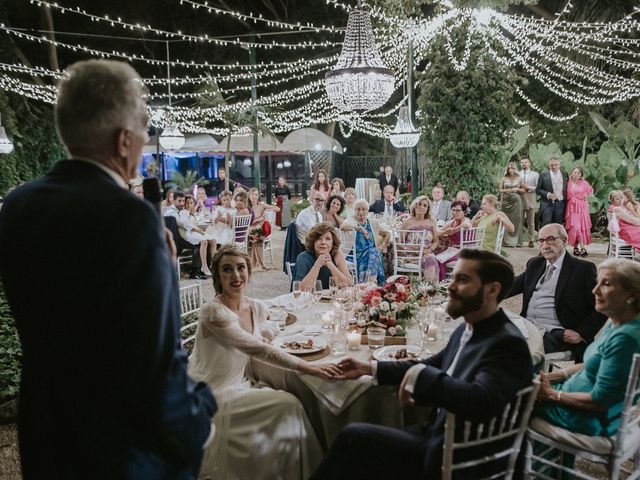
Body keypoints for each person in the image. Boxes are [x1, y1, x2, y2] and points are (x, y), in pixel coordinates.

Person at [0, 59, 216, 479]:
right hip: (124, 450)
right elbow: (154, 362)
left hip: (48, 431)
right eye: (143, 133)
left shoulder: (17, 206)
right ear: (123, 140)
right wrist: (199, 419)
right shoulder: (130, 218)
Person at [310, 249, 533, 480]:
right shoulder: (470, 326)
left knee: (353, 439)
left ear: (493, 289)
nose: (451, 286)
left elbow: (481, 400)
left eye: (463, 280)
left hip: (460, 457)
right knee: (354, 440)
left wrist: (421, 375)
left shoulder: (507, 343)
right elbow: (432, 364)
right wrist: (369, 368)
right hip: (437, 436)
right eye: (453, 277)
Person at [188, 245, 341, 480]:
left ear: (249, 271)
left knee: (291, 401)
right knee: (290, 404)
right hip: (215, 391)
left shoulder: (255, 306)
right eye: (227, 270)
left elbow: (277, 320)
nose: (236, 275)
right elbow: (257, 349)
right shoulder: (214, 312)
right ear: (217, 276)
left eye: (241, 268)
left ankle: (288, 470)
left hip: (243, 382)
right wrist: (311, 368)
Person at [533, 258, 640, 437]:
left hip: (584, 417)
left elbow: (600, 401)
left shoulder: (626, 339)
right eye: (597, 282)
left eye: (606, 284)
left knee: (510, 396)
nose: (595, 290)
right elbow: (593, 363)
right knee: (523, 381)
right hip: (575, 402)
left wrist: (552, 394)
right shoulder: (621, 322)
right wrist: (552, 376)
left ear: (632, 295)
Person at [507, 223, 606, 362]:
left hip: (558, 334)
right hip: (527, 328)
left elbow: (602, 307)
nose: (545, 245)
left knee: (514, 353)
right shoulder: (535, 264)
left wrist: (581, 333)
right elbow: (508, 287)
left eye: (551, 239)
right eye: (541, 241)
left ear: (565, 241)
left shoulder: (582, 269)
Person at [293, 222, 353, 290]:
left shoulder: (337, 254)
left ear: (333, 242)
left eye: (327, 238)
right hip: (311, 299)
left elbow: (350, 285)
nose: (323, 242)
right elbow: (301, 290)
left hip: (333, 299)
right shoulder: (303, 257)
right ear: (313, 241)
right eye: (319, 238)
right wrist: (317, 265)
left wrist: (331, 265)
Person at [344, 199, 390, 284]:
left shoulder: (372, 223)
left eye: (363, 209)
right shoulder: (350, 220)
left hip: (371, 253)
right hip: (356, 254)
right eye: (358, 209)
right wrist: (359, 228)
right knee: (375, 253)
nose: (361, 212)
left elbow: (387, 234)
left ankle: (370, 280)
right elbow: (342, 227)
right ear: (354, 210)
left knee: (375, 252)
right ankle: (372, 281)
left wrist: (382, 246)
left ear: (368, 211)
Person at [398, 195, 440, 283]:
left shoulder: (432, 221)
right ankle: (428, 288)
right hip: (411, 255)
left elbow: (436, 241)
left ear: (427, 209)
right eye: (420, 204)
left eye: (425, 206)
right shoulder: (407, 222)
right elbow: (400, 243)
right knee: (430, 258)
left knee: (430, 258)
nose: (422, 207)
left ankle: (429, 287)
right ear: (415, 206)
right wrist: (410, 249)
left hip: (426, 254)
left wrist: (430, 249)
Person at [179, 194, 216, 277]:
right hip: (190, 232)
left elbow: (194, 223)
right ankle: (204, 266)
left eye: (191, 203)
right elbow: (186, 225)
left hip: (196, 230)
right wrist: (198, 230)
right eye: (187, 203)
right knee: (204, 241)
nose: (189, 205)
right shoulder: (183, 212)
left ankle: (213, 264)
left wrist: (199, 228)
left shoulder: (192, 212)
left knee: (213, 241)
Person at [434, 200, 473, 279]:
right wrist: (445, 231)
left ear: (464, 212)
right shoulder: (453, 221)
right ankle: (439, 279)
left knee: (439, 259)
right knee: (433, 255)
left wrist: (453, 230)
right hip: (452, 250)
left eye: (458, 210)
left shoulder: (465, 220)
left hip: (464, 252)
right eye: (453, 210)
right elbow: (438, 230)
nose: (455, 212)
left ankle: (441, 283)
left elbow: (467, 225)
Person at [248, 187, 279, 271]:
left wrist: (267, 210)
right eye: (252, 194)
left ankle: (259, 264)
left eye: (256, 194)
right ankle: (257, 263)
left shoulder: (261, 205)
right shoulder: (247, 206)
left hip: (259, 230)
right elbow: (249, 222)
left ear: (258, 196)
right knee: (253, 236)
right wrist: (259, 219)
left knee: (255, 236)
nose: (254, 196)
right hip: (248, 230)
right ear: (249, 195)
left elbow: (277, 208)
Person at [565, 166, 593, 257]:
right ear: (571, 173)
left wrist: (587, 205)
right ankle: (577, 247)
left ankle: (581, 247)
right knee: (574, 227)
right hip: (571, 208)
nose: (576, 174)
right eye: (574, 172)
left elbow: (587, 194)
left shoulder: (584, 183)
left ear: (581, 175)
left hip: (581, 208)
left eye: (578, 173)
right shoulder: (567, 183)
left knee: (581, 227)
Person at [498, 161, 525, 247]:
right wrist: (509, 190)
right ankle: (505, 242)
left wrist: (517, 189)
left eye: (512, 168)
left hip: (516, 202)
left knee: (517, 220)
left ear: (515, 169)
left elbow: (524, 190)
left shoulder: (520, 178)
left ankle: (517, 242)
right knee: (505, 220)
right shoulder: (503, 178)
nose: (510, 170)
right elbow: (500, 190)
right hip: (506, 202)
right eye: (509, 168)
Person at [536, 156, 568, 227]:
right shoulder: (543, 175)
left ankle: (556, 238)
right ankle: (545, 238)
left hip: (560, 203)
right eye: (552, 165)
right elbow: (538, 189)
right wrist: (547, 194)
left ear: (559, 165)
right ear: (549, 165)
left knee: (558, 223)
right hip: (547, 203)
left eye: (556, 165)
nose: (554, 167)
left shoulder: (565, 174)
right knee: (547, 222)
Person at [519, 158, 539, 247]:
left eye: (525, 162)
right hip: (520, 200)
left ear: (529, 163)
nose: (524, 164)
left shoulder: (535, 174)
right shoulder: (517, 174)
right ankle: (519, 240)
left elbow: (537, 187)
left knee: (531, 222)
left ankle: (531, 240)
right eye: (522, 162)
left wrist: (528, 188)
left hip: (531, 200)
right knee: (519, 221)